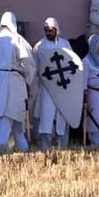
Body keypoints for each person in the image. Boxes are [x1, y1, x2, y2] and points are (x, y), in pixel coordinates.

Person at [0, 12, 36, 153]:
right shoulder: (17, 39)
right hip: (14, 81)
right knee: (9, 115)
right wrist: (28, 81)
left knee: (17, 119)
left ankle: (24, 149)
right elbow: (28, 62)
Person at [31, 18, 74, 149]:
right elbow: (34, 66)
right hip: (47, 88)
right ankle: (45, 147)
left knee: (62, 117)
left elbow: (72, 63)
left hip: (62, 86)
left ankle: (63, 147)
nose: (48, 33)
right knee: (46, 117)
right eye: (46, 31)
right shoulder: (40, 46)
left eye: (50, 30)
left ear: (56, 29)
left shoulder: (65, 44)